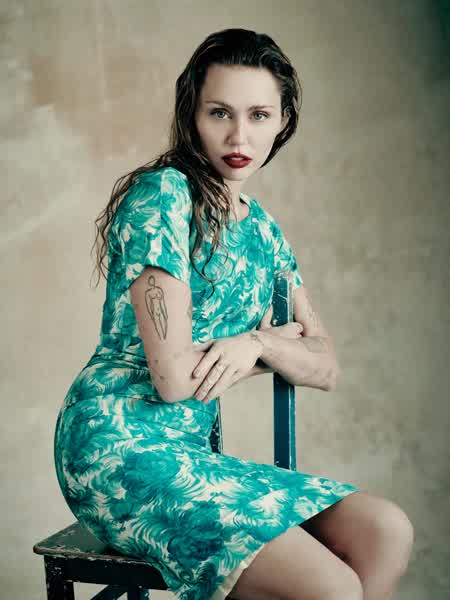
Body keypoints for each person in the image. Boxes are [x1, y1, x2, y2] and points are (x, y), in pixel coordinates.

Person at [54, 28, 414, 600]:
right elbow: (174, 381)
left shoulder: (264, 231)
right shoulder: (163, 196)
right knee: (331, 588)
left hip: (193, 454)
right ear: (191, 116)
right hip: (118, 449)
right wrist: (270, 348)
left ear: (283, 121)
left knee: (386, 531)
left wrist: (258, 344)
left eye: (258, 115)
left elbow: (325, 365)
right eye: (219, 112)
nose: (239, 136)